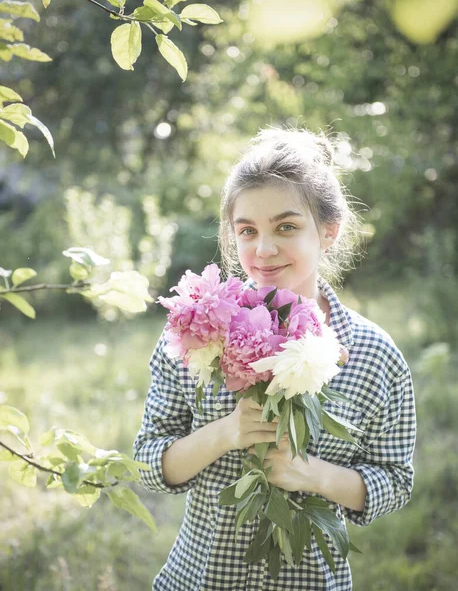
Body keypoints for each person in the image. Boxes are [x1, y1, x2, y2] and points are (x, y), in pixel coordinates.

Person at [133, 127, 417, 590]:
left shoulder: (374, 353)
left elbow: (395, 481)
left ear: (329, 231)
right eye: (247, 230)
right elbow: (148, 461)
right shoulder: (194, 331)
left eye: (286, 226)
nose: (263, 249)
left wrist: (312, 475)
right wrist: (226, 432)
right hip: (199, 580)